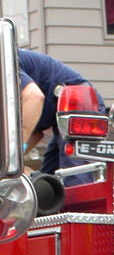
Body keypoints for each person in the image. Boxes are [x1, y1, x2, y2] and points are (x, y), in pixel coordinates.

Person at [18, 48, 106, 176]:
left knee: (73, 176)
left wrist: (13, 153)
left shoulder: (5, 61)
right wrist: (13, 161)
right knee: (51, 181)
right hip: (58, 114)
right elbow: (35, 133)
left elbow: (34, 97)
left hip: (79, 101)